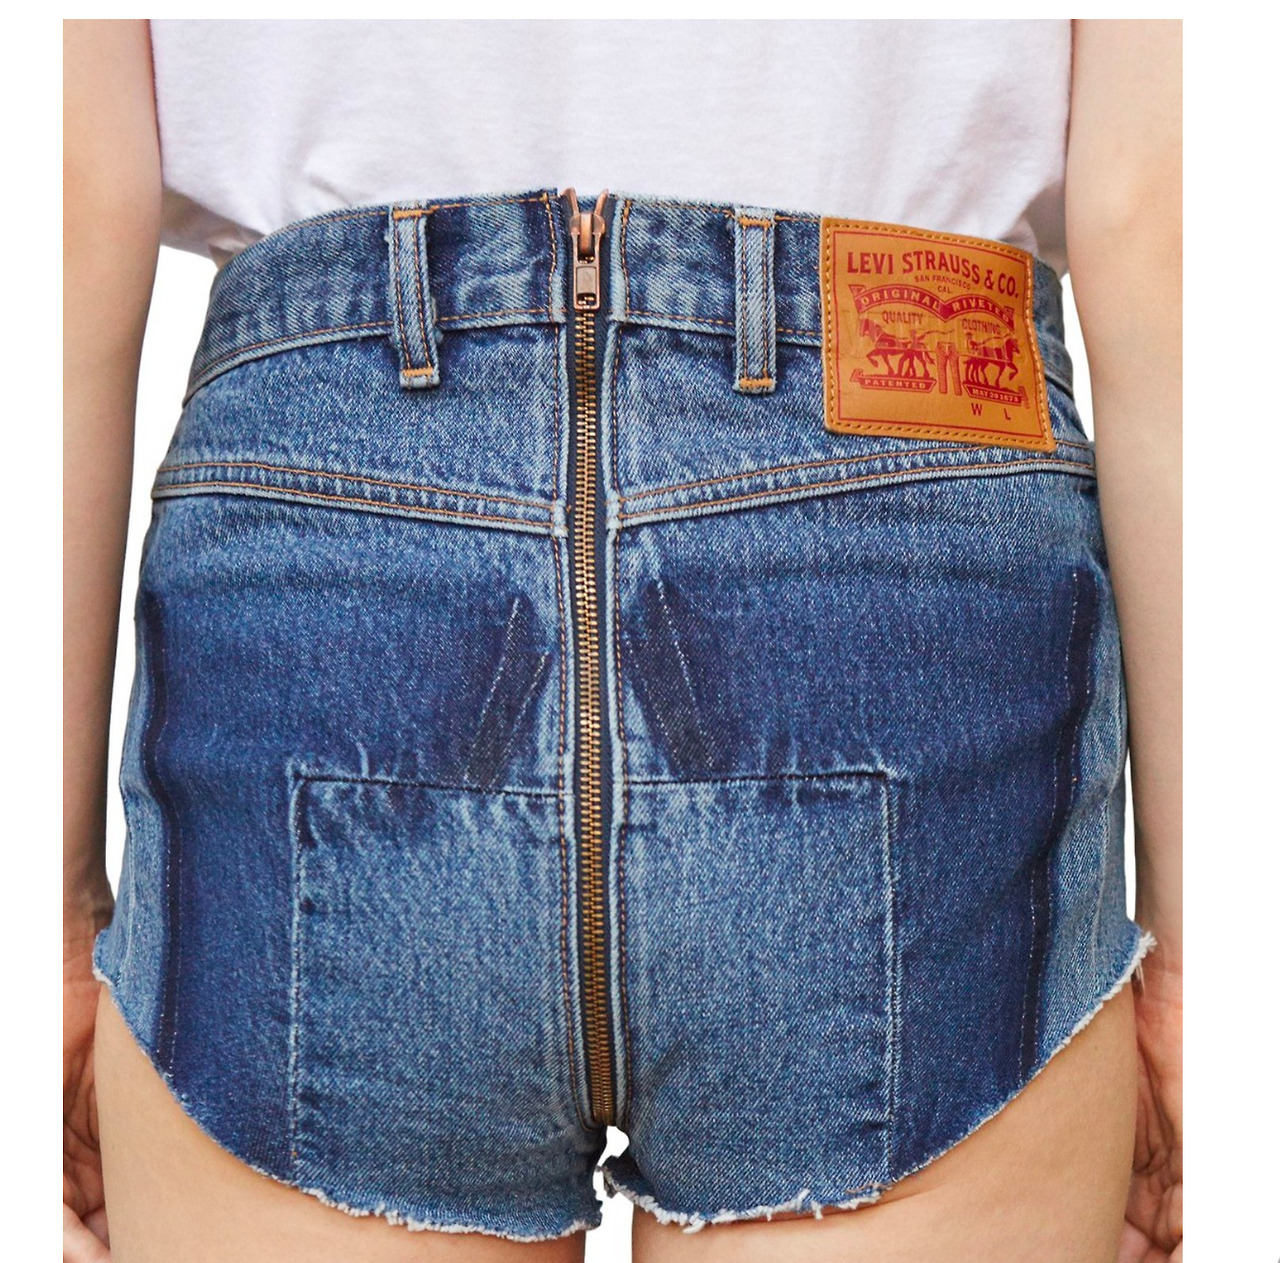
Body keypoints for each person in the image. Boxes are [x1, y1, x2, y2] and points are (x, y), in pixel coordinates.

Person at [64, 19, 1182, 1263]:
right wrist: (1197, 964)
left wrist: (48, 925)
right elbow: (1158, 228)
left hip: (324, 541)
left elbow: (61, 220)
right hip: (908, 503)